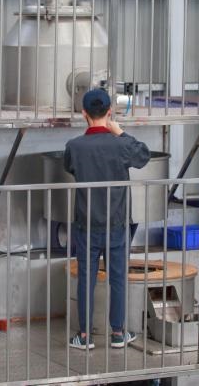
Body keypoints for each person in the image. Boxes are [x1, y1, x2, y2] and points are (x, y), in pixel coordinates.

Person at [63, 89, 151, 349]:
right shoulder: (121, 145)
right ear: (110, 112)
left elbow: (69, 166)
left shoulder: (74, 147)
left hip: (86, 224)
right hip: (117, 224)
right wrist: (120, 132)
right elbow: (143, 156)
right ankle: (118, 333)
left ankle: (85, 336)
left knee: (86, 279)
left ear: (84, 114)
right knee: (118, 278)